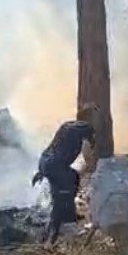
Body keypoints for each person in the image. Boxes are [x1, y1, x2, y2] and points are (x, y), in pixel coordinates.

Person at [32, 103, 98, 244]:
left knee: (72, 179)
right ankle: (50, 240)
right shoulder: (86, 128)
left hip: (45, 161)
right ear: (90, 118)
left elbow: (56, 146)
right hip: (56, 166)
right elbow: (89, 154)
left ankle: (65, 219)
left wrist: (42, 171)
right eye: (95, 117)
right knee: (60, 201)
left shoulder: (67, 125)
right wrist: (94, 168)